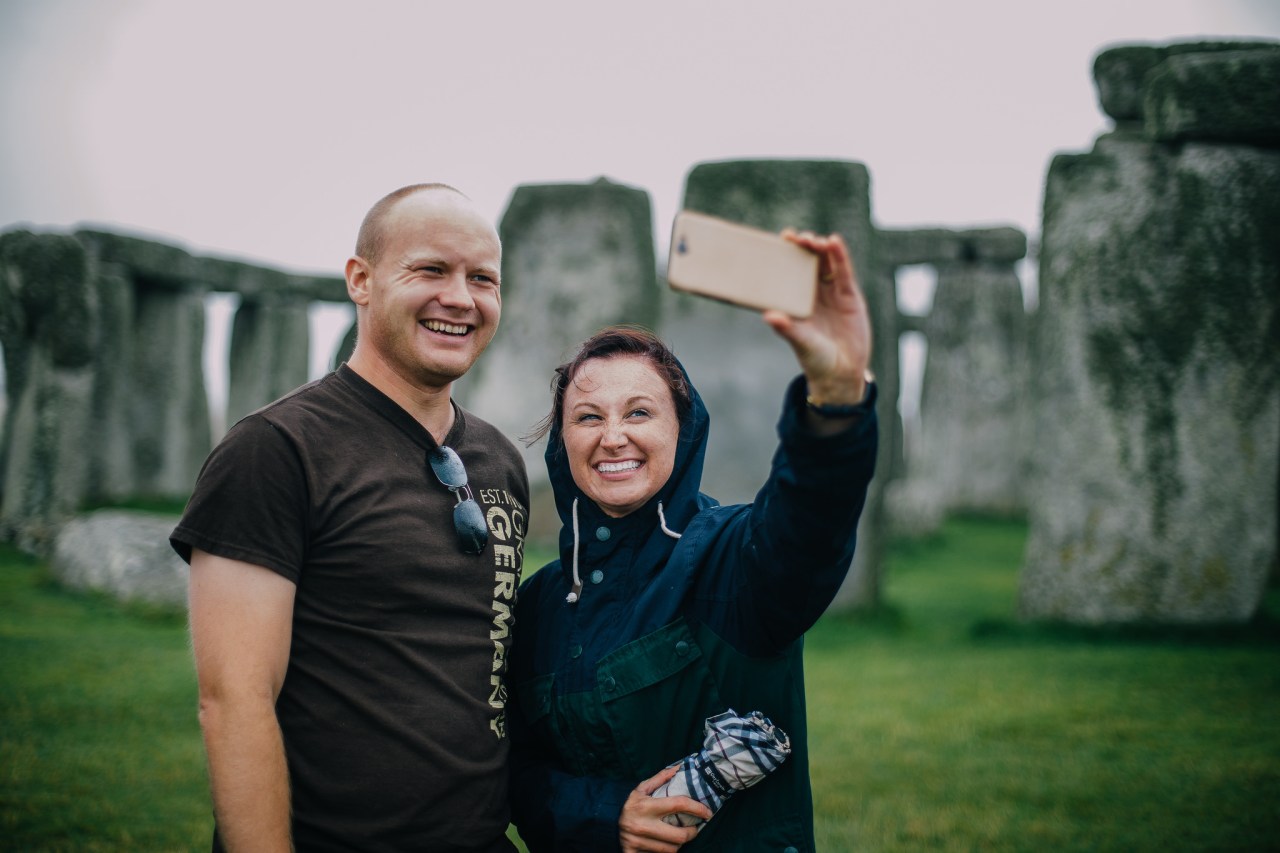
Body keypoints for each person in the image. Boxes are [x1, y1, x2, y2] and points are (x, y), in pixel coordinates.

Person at [171, 184, 530, 852]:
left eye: (483, 278)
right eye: (430, 270)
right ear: (360, 280)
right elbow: (234, 702)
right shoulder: (275, 451)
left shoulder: (499, 460)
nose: (460, 297)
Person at [507, 230, 878, 853]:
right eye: (589, 417)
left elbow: (810, 521)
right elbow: (511, 773)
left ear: (684, 430)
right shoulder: (537, 604)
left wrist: (836, 398)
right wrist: (604, 816)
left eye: (640, 412)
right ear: (561, 443)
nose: (613, 436)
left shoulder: (735, 558)